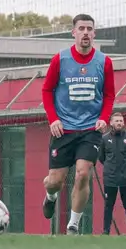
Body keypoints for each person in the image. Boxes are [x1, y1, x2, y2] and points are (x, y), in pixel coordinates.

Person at [41, 14, 116, 235]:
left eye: (89, 29)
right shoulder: (60, 59)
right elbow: (46, 90)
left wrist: (104, 117)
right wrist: (53, 119)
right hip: (63, 129)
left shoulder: (104, 61)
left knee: (84, 173)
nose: (85, 32)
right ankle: (50, 195)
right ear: (73, 32)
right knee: (55, 181)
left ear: (94, 33)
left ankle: (73, 225)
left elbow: (109, 94)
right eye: (81, 28)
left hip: (90, 130)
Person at [98, 112, 126, 235]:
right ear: (111, 123)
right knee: (108, 206)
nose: (119, 123)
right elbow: (101, 157)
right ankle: (106, 231)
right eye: (116, 121)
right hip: (110, 179)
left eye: (121, 121)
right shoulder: (105, 139)